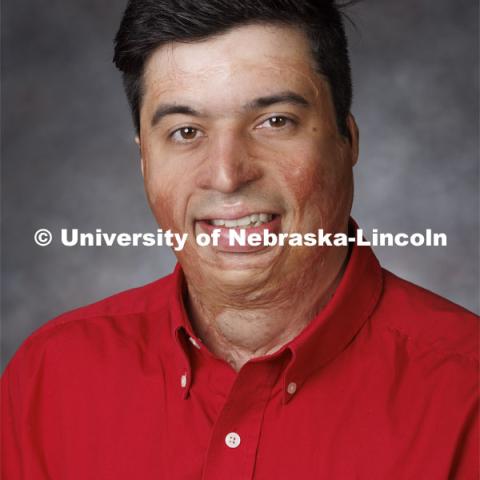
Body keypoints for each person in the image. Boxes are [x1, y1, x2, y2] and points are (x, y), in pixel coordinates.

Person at [2, 1, 478, 478]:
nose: (227, 175)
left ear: (346, 140)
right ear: (144, 162)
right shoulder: (50, 376)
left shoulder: (467, 390)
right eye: (186, 131)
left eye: (275, 121)